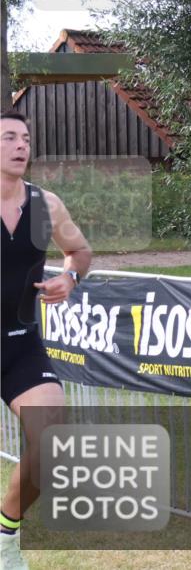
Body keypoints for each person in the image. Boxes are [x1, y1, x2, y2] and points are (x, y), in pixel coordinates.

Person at [1, 111, 92, 570]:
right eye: (9, 137)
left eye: (26, 138)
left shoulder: (45, 205)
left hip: (19, 345)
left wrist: (70, 277)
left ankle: (4, 536)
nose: (21, 145)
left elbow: (80, 250)